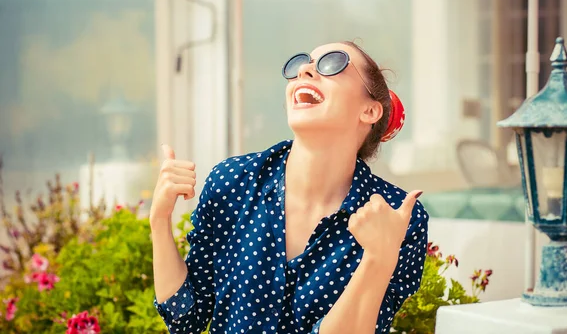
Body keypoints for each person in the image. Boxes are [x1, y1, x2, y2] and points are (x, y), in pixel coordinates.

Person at [151, 41, 429, 334]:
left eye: (333, 63)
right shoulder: (233, 182)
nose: (305, 71)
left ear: (370, 111)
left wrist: (379, 259)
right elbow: (186, 319)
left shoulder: (397, 219)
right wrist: (159, 221)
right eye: (301, 64)